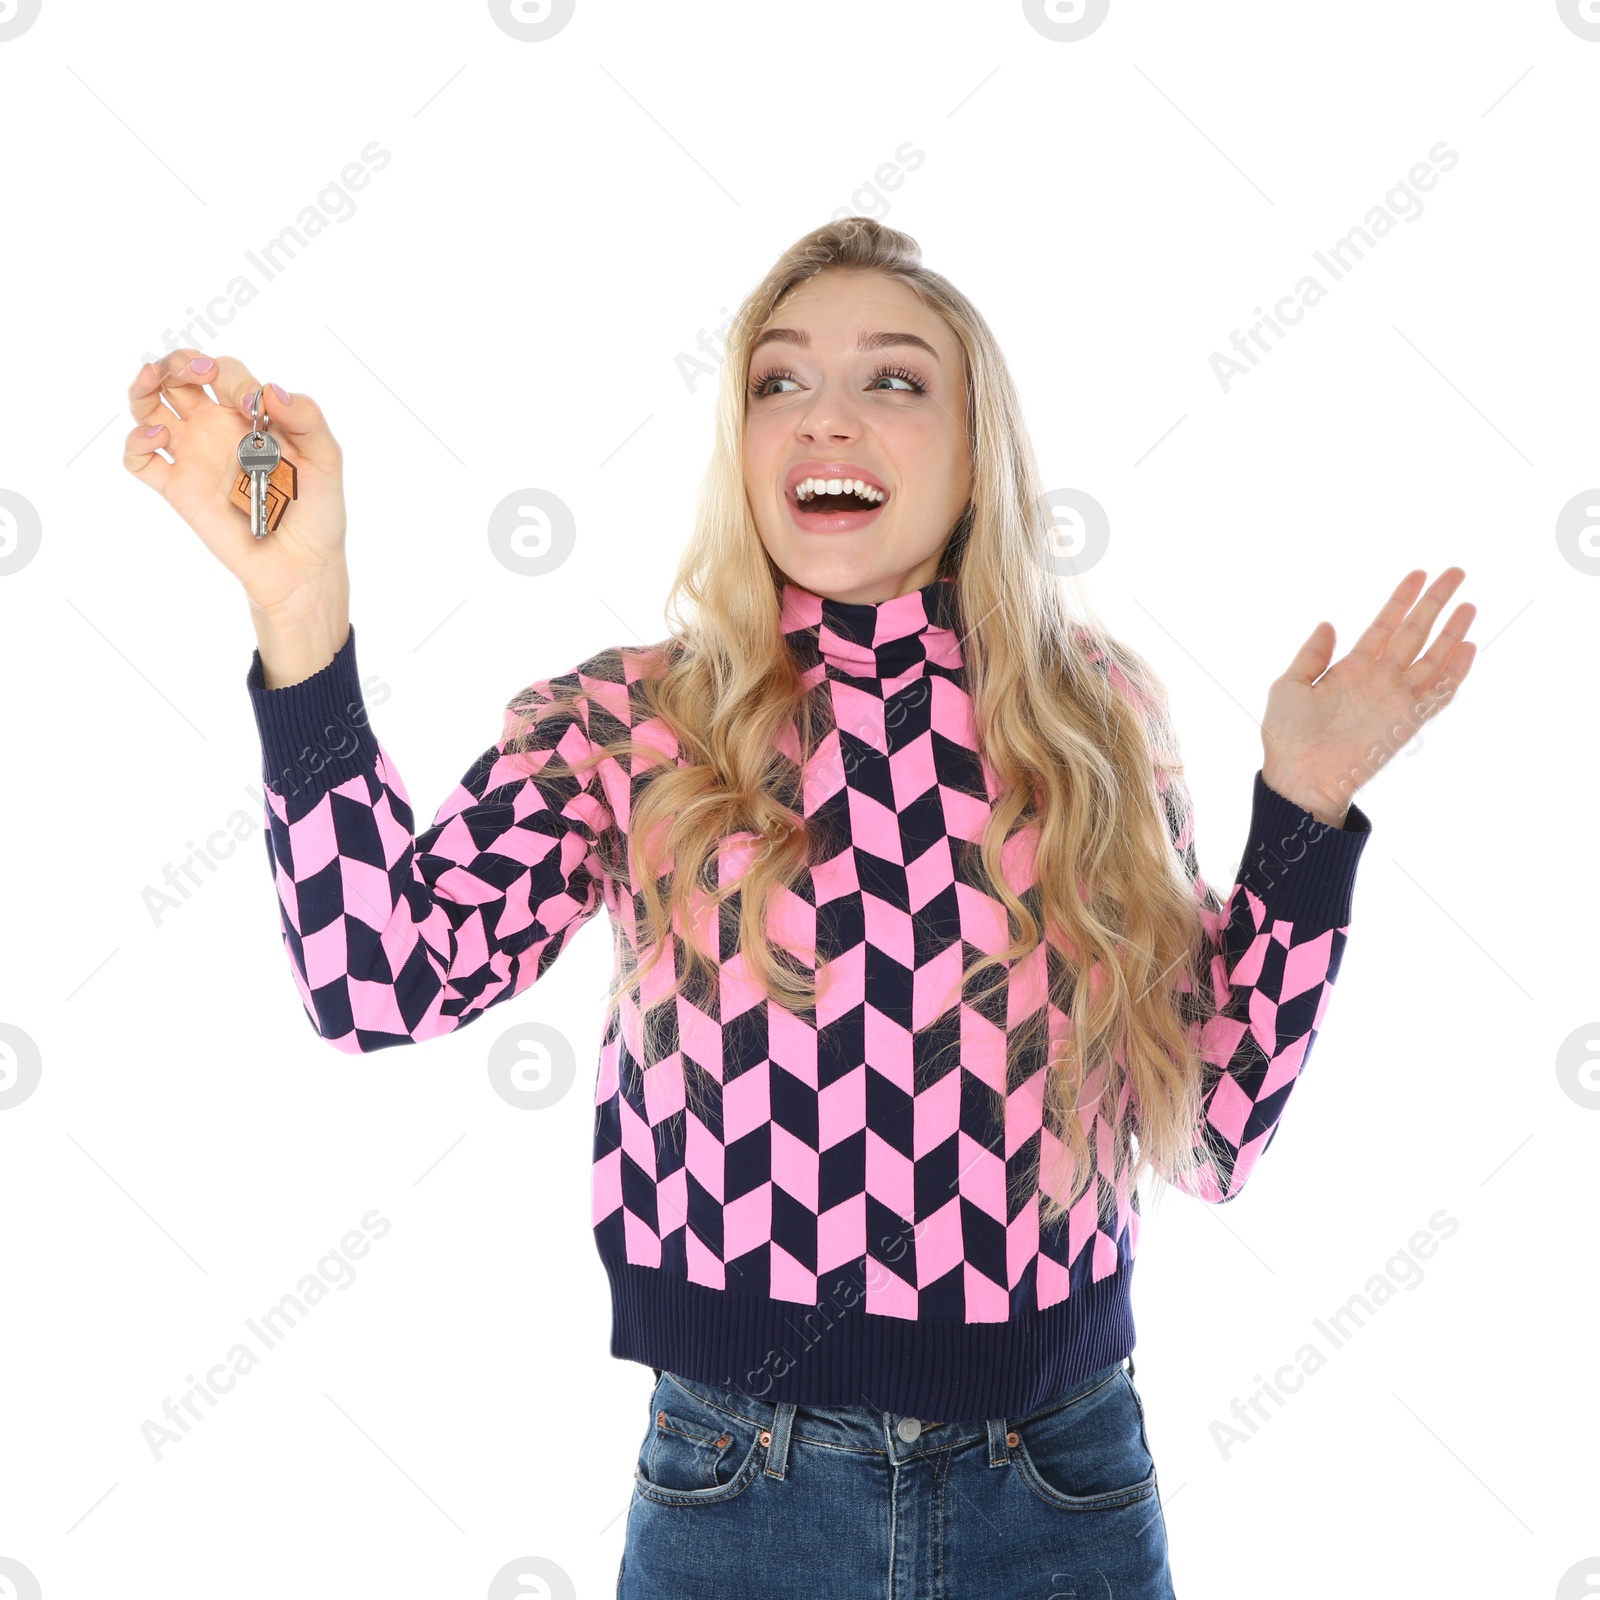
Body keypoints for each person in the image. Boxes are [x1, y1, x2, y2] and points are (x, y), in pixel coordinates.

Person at [122, 216, 1476, 1599]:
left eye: (894, 381)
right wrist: (301, 607)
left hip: (1059, 1491)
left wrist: (1303, 812)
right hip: (738, 1493)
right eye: (780, 382)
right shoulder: (629, 719)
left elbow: (1215, 1129)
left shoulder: (1094, 720)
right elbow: (376, 979)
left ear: (973, 455)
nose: (827, 415)